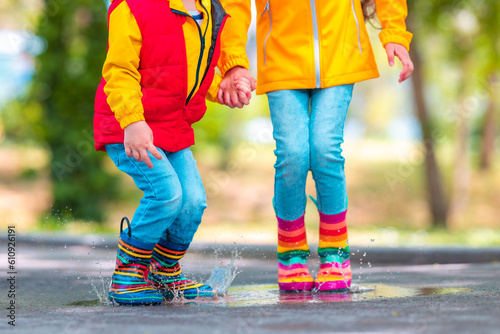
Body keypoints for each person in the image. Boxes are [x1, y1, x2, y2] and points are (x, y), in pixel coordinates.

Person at [218, 0, 414, 291]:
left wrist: (394, 33)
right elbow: (232, 5)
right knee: (292, 155)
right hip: (282, 58)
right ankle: (291, 254)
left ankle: (335, 254)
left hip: (341, 53)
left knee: (325, 150)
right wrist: (233, 61)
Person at [93, 0, 252, 305]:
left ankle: (164, 271)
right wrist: (133, 121)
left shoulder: (208, 12)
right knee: (166, 194)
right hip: (128, 126)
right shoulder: (134, 7)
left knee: (193, 201)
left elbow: (191, 71)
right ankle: (127, 273)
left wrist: (222, 87)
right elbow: (119, 71)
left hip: (171, 127)